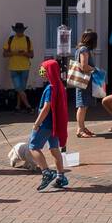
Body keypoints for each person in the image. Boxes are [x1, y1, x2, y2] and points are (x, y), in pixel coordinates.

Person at [29, 58, 69, 192]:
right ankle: (60, 176)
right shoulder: (60, 86)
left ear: (49, 72)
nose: (42, 72)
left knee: (33, 147)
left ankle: (46, 172)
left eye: (43, 70)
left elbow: (46, 107)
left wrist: (37, 123)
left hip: (45, 124)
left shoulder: (50, 88)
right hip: (55, 124)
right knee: (54, 149)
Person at [71, 29, 98, 139]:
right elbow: (84, 66)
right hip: (84, 82)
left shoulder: (80, 49)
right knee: (82, 106)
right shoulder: (84, 50)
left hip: (83, 81)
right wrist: (95, 69)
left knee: (84, 105)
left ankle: (82, 127)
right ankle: (80, 129)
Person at [2, 23, 34, 111]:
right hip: (13, 67)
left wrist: (24, 53)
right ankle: (28, 106)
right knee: (19, 88)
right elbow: (4, 54)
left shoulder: (27, 40)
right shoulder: (10, 39)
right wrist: (15, 53)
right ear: (15, 31)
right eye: (18, 31)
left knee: (21, 89)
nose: (19, 32)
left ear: (23, 30)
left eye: (21, 30)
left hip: (25, 67)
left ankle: (18, 106)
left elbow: (31, 55)